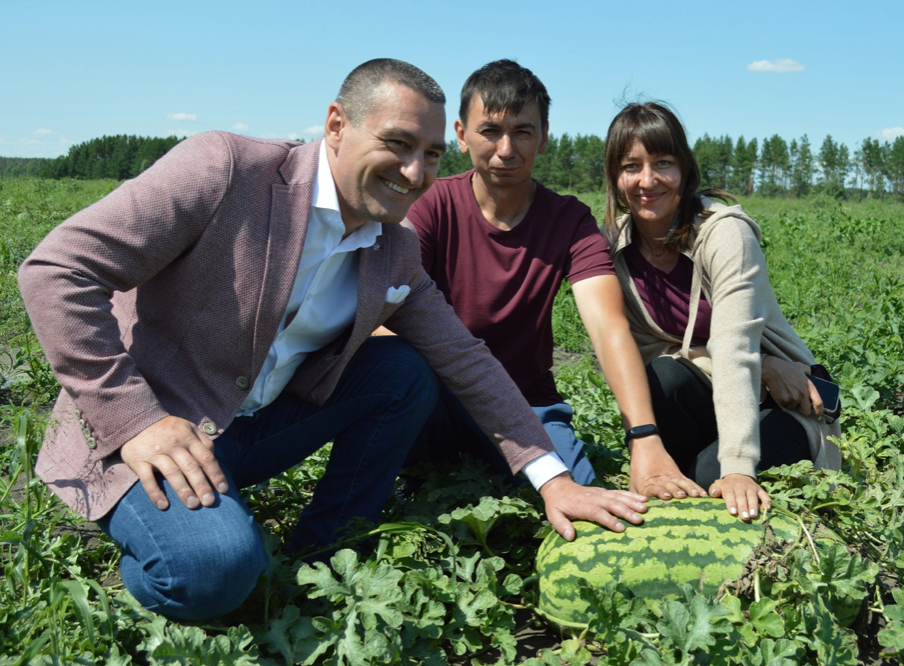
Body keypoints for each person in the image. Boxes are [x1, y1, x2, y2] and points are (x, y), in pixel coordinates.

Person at [17, 59, 647, 622]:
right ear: (336, 125)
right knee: (217, 572)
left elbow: (465, 359)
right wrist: (136, 418)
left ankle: (326, 547)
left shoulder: (392, 246)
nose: (414, 172)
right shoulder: (227, 169)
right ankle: (147, 531)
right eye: (397, 144)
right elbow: (56, 271)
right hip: (149, 432)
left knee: (404, 370)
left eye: (429, 154)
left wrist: (551, 478)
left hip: (251, 428)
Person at [381, 60, 668, 493]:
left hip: (526, 404)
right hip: (437, 401)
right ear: (461, 135)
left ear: (544, 137)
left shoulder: (568, 220)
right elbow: (386, 319)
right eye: (490, 131)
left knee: (583, 498)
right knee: (404, 373)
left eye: (523, 131)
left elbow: (608, 327)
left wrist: (645, 438)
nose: (506, 150)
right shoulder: (430, 206)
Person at [601, 101, 842, 521]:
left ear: (685, 169)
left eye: (663, 163)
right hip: (711, 393)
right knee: (661, 376)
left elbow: (734, 348)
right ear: (614, 176)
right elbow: (640, 354)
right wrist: (767, 363)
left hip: (777, 405)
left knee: (708, 479)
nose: (647, 180)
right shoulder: (616, 245)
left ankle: (715, 466)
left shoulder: (724, 234)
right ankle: (689, 466)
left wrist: (737, 469)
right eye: (630, 166)